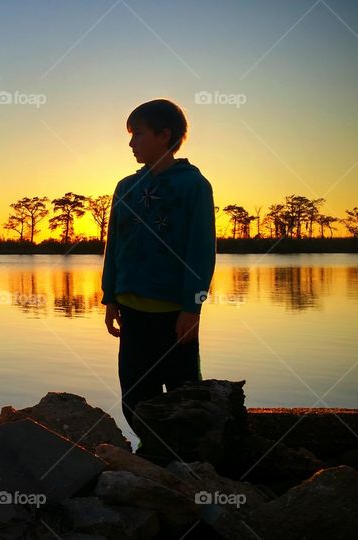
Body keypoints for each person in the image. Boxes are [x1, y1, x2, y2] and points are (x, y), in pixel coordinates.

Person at [101, 98, 217, 439]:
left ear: (164, 135)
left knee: (184, 396)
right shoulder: (126, 187)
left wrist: (191, 307)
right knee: (135, 396)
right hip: (132, 312)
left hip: (174, 316)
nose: (131, 143)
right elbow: (115, 246)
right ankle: (150, 457)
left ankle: (188, 465)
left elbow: (201, 250)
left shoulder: (193, 186)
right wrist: (110, 296)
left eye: (138, 134)